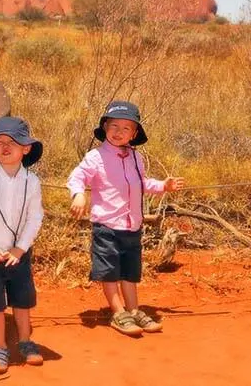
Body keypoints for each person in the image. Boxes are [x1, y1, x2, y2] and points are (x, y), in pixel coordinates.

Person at [66, 101, 185, 337]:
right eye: (114, 126)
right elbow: (77, 177)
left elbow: (142, 183)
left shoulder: (135, 158)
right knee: (109, 272)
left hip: (132, 227)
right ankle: (118, 312)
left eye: (126, 128)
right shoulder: (96, 157)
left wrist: (163, 186)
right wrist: (78, 195)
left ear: (135, 133)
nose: (118, 132)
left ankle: (134, 309)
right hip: (107, 227)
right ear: (105, 127)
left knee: (130, 273)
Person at [0, 117, 45, 375]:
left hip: (19, 255)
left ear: (26, 148)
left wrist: (21, 248)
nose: (5, 147)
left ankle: (25, 341)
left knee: (22, 300)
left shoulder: (32, 182)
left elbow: (35, 217)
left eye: (12, 142)